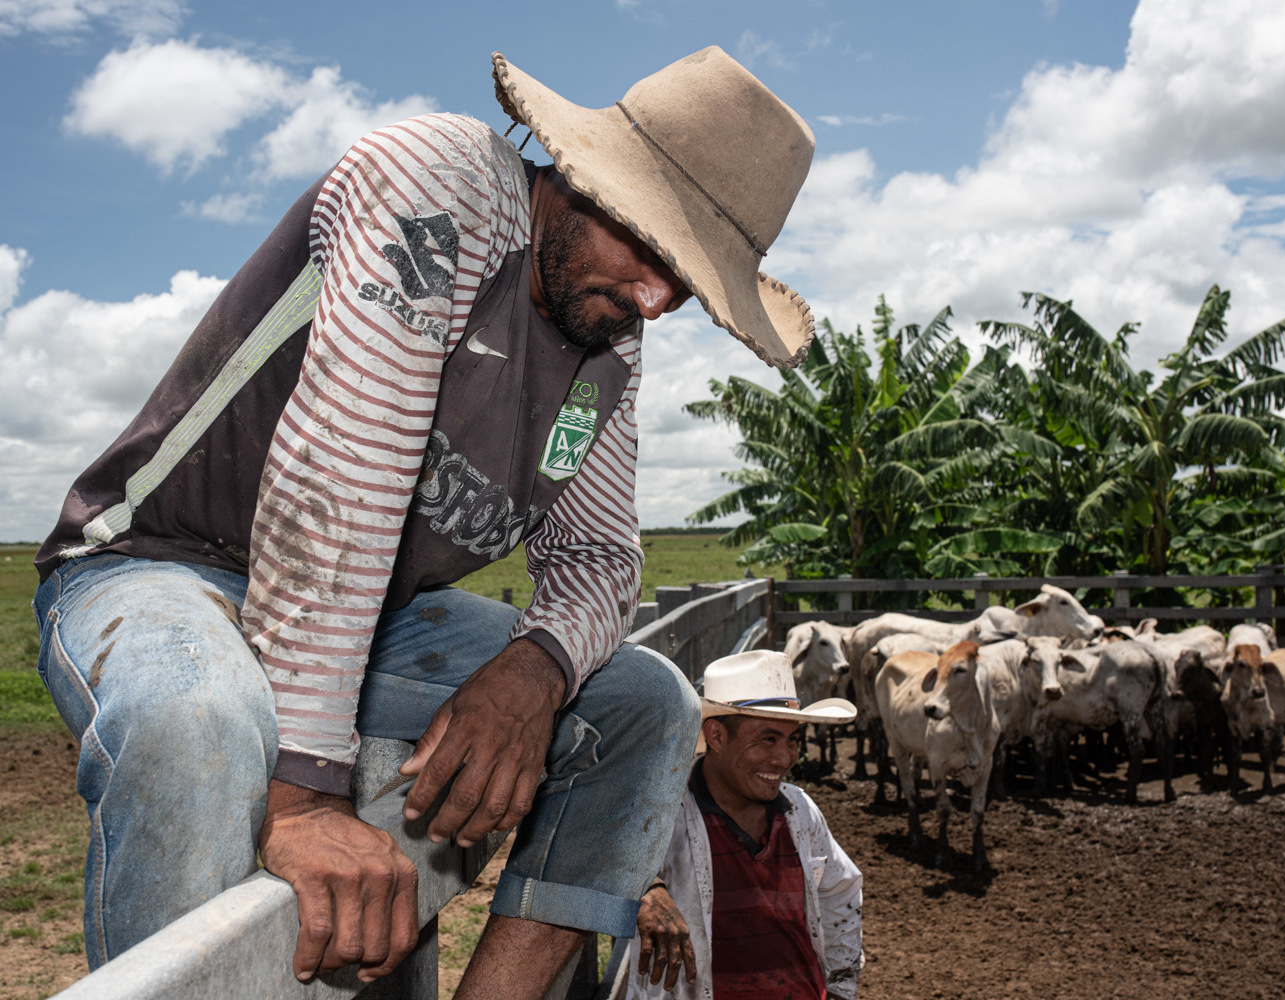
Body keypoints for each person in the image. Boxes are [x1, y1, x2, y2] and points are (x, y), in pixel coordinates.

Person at [30, 48, 817, 997]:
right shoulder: (438, 183)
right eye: (650, 249)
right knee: (197, 723)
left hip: (375, 616)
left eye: (686, 282)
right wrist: (306, 791)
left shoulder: (607, 335)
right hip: (166, 563)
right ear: (580, 178)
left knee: (645, 707)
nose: (655, 299)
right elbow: (339, 481)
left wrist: (535, 672)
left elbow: (601, 556)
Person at [632, 650, 863, 999]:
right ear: (716, 736)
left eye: (793, 740)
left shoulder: (800, 810)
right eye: (768, 739)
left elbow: (840, 891)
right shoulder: (665, 813)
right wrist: (646, 890)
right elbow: (595, 853)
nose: (784, 758)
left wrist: (841, 989)